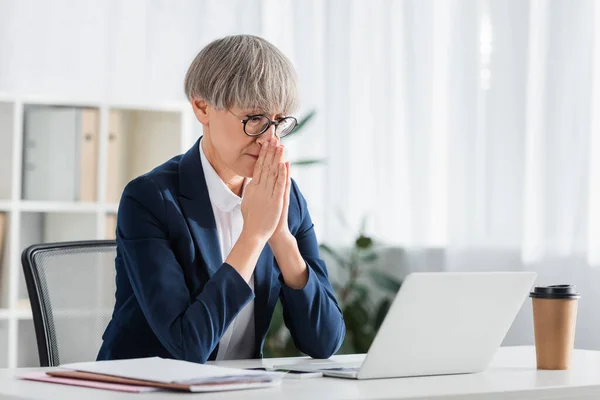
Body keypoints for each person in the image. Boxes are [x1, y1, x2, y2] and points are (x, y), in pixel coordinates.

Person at [97, 34, 345, 363]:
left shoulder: (285, 196)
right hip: (147, 388)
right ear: (202, 107)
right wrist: (254, 235)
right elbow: (188, 345)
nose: (269, 140)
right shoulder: (150, 199)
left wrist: (281, 236)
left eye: (278, 122)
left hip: (234, 387)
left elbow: (325, 342)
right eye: (255, 119)